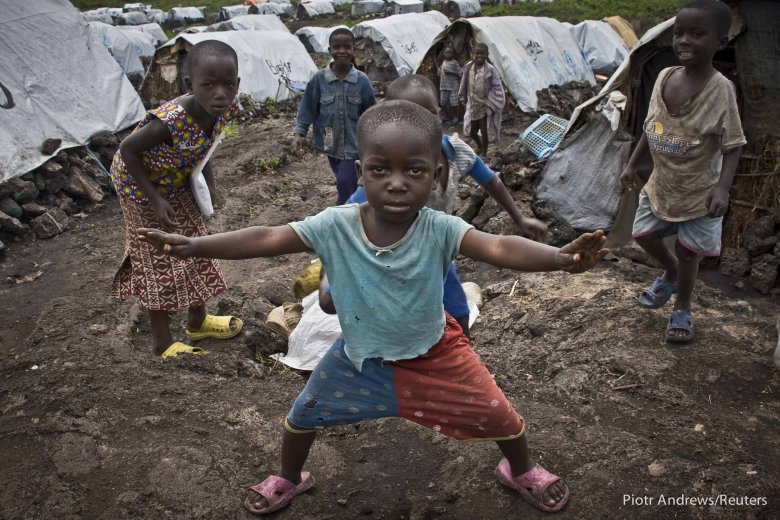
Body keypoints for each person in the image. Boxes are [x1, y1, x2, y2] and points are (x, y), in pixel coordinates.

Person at [139, 101, 609, 515]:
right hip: (360, 357)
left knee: (501, 415)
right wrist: (196, 245)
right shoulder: (336, 224)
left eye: (415, 171)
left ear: (437, 175)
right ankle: (290, 477)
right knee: (302, 417)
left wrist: (561, 259)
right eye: (381, 170)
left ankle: (520, 469)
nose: (397, 184)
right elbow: (267, 236)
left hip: (434, 351)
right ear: (361, 172)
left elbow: (502, 248)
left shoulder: (440, 228)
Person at [346, 74, 548, 335]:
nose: (424, 123)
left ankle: (456, 359)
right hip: (389, 259)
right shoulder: (386, 174)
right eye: (411, 115)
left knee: (458, 313)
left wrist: (519, 218)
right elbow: (349, 216)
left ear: (439, 113)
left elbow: (492, 183)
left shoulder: (455, 151)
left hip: (436, 252)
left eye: (430, 113)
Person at [619, 0, 745, 343]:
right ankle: (670, 270)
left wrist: (722, 189)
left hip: (699, 189)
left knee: (691, 252)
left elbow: (733, 145)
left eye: (697, 34)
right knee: (643, 235)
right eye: (678, 33)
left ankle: (682, 309)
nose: (684, 41)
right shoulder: (663, 77)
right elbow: (651, 127)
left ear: (720, 41)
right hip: (663, 183)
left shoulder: (720, 91)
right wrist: (632, 164)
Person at [110, 40, 244, 357]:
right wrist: (154, 199)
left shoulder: (226, 109)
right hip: (138, 186)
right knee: (157, 256)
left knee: (196, 244)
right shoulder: (171, 120)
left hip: (175, 179)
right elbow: (128, 150)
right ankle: (162, 342)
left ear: (237, 83)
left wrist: (209, 186)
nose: (220, 93)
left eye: (228, 84)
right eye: (208, 85)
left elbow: (205, 145)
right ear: (189, 85)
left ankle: (197, 322)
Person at [292, 27, 376, 204]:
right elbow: (308, 107)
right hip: (329, 141)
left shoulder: (361, 81)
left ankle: (344, 211)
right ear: (330, 50)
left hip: (354, 143)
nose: (342, 51)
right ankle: (361, 202)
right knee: (342, 176)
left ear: (354, 50)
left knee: (345, 180)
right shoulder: (320, 79)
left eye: (347, 47)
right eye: (337, 47)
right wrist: (299, 133)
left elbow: (371, 112)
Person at [458, 43, 505, 157]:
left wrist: (490, 103)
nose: (479, 56)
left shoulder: (490, 70)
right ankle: (479, 146)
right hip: (473, 106)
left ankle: (484, 153)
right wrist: (463, 96)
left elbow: (498, 88)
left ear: (487, 55)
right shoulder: (469, 67)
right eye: (476, 53)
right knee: (472, 132)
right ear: (473, 54)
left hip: (484, 107)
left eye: (482, 53)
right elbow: (464, 83)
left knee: (485, 134)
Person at [438, 45, 463, 125]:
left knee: (454, 103)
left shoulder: (455, 63)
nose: (448, 55)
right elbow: (439, 73)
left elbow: (461, 73)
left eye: (450, 53)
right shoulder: (443, 63)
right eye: (446, 53)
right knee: (442, 102)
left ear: (454, 55)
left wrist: (451, 72)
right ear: (443, 54)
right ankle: (446, 115)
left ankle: (455, 116)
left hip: (453, 87)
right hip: (443, 86)